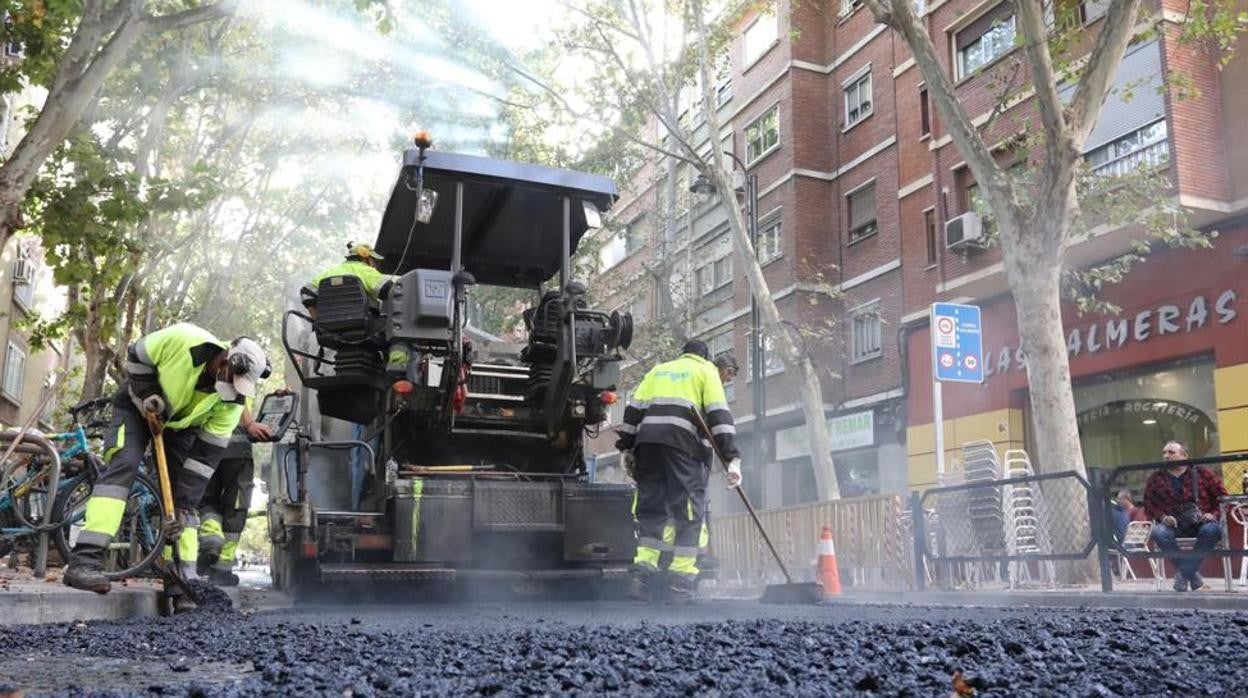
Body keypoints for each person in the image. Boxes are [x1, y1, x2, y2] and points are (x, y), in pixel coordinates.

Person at [63, 323, 267, 612]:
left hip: (181, 427)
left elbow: (204, 458)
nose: (234, 389)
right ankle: (84, 562)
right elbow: (137, 355)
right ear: (224, 360)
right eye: (232, 379)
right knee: (123, 469)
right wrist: (148, 393)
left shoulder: (233, 403)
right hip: (135, 408)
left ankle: (184, 582)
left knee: (185, 504)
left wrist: (184, 503)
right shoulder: (183, 339)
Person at [617, 340, 741, 604]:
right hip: (681, 447)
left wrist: (626, 447)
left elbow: (633, 410)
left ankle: (641, 580)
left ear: (683, 353)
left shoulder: (658, 370)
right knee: (688, 513)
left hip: (647, 447)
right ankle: (680, 585)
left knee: (652, 510)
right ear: (706, 356)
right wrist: (732, 458)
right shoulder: (706, 371)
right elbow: (719, 416)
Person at [197, 398, 272, 586]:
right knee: (236, 506)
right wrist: (249, 424)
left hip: (204, 445)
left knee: (206, 498)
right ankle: (222, 569)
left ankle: (212, 540)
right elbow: (236, 393)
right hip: (236, 449)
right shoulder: (234, 372)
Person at [1143, 440, 1227, 592]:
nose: (1166, 456)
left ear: (1184, 455)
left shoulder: (1203, 473)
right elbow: (1149, 505)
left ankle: (1183, 574)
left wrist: (1213, 514)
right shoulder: (1156, 478)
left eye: (1171, 452)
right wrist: (1163, 517)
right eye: (1164, 453)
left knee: (1212, 530)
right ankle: (1192, 575)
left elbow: (1223, 498)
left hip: (1202, 521)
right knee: (1157, 532)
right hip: (1172, 525)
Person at [303, 241, 394, 307]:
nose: (375, 265)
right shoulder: (366, 271)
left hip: (331, 328)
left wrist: (318, 323)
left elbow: (306, 292)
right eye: (375, 261)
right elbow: (390, 290)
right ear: (367, 259)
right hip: (366, 326)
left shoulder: (329, 273)